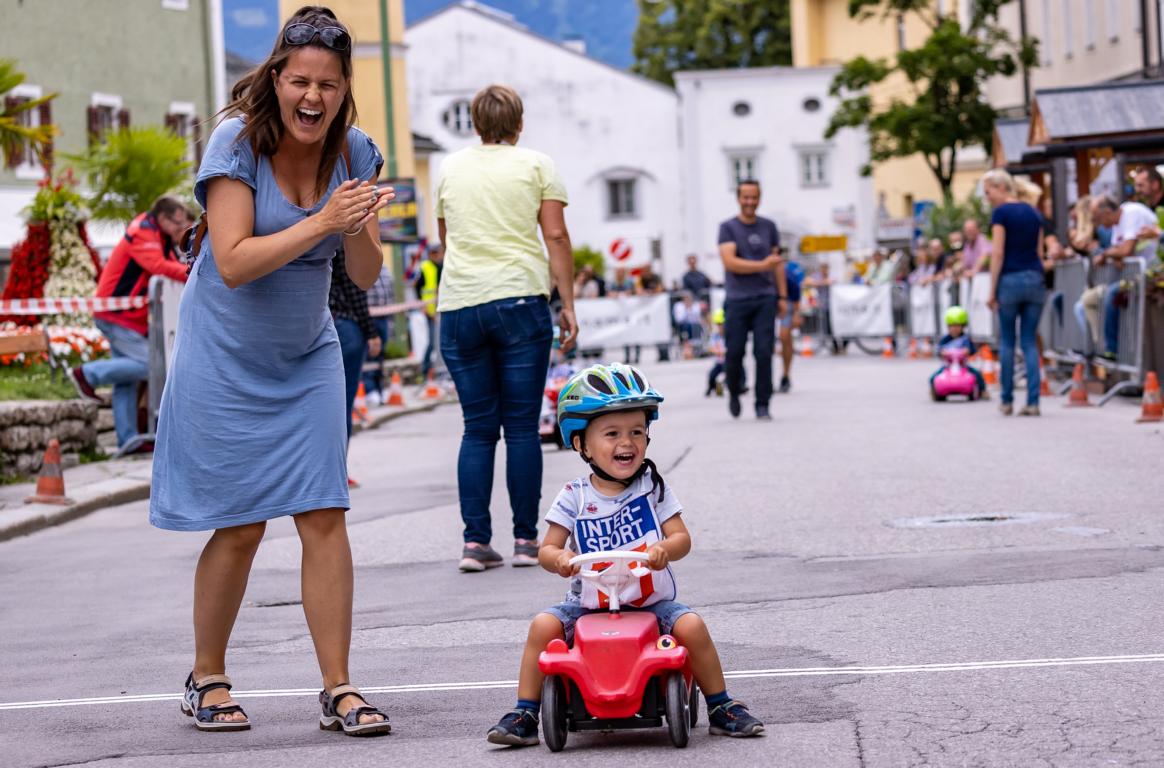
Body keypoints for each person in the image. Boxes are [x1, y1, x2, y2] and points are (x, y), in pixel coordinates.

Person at [149, 7, 392, 734]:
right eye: (300, 81)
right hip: (224, 354)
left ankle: (339, 687)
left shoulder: (355, 151)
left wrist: (354, 227)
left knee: (323, 511)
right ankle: (208, 676)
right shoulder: (237, 142)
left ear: (345, 87)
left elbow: (366, 268)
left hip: (306, 351)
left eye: (328, 83)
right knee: (243, 523)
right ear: (276, 79)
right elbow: (232, 260)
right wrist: (319, 221)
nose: (312, 97)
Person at [485, 364, 765, 747]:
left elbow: (682, 537)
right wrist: (560, 559)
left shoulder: (652, 487)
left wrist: (665, 549)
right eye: (612, 433)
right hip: (587, 606)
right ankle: (526, 711)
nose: (627, 442)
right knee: (542, 626)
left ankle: (721, 706)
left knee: (692, 627)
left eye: (636, 432)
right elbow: (546, 548)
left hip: (650, 604)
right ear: (581, 443)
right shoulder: (574, 495)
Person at [435, 83, 578, 573]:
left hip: (460, 305)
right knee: (520, 427)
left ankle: (475, 543)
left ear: (476, 126)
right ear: (518, 125)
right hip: (519, 299)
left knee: (477, 429)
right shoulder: (537, 164)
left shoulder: (450, 168)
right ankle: (524, 540)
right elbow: (555, 234)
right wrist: (568, 303)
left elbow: (446, 237)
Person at [69, 196, 192, 450]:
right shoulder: (142, 231)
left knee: (125, 380)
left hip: (127, 317)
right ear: (163, 219)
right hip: (116, 314)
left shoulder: (160, 235)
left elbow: (171, 262)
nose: (181, 228)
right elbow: (158, 266)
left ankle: (127, 441)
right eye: (178, 223)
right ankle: (87, 374)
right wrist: (193, 274)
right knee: (151, 367)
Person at [717, 179, 785, 421]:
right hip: (737, 299)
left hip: (765, 298)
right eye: (746, 197)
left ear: (759, 198)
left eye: (754, 197)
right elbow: (730, 262)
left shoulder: (769, 227)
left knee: (764, 352)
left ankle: (763, 403)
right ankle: (734, 391)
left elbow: (777, 265)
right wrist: (762, 265)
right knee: (734, 353)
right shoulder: (727, 228)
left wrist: (782, 295)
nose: (750, 202)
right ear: (738, 198)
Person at [983, 169, 1046, 416]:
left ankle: (1007, 399)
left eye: (988, 191)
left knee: (1008, 341)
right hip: (1034, 278)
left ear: (1000, 187)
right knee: (1030, 341)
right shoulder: (1034, 212)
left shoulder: (1001, 213)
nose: (987, 197)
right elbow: (1039, 253)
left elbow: (997, 253)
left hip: (1010, 279)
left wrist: (991, 289)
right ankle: (1033, 401)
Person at [1077, 195, 1159, 359]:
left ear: (1107, 212)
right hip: (1131, 276)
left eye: (1098, 218)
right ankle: (1098, 347)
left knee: (1110, 295)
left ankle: (1111, 350)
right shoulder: (1117, 223)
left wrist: (1108, 254)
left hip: (1150, 274)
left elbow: (1125, 251)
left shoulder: (1131, 213)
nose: (1098, 224)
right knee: (1084, 303)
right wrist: (1115, 255)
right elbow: (1119, 255)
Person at [330, 248, 381, 487]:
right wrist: (371, 332)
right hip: (344, 326)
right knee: (342, 405)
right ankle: (337, 473)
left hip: (314, 325)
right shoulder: (343, 237)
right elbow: (355, 288)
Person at [929, 306, 988, 397]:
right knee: (933, 377)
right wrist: (942, 352)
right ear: (948, 327)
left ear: (963, 326)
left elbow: (971, 349)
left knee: (977, 374)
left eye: (957, 326)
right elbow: (939, 349)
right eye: (952, 326)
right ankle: (934, 392)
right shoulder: (945, 340)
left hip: (962, 366)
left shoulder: (965, 339)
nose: (954, 328)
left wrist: (967, 351)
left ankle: (983, 391)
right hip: (948, 366)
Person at [362, 263, 394, 406]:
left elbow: (390, 293)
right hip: (370, 316)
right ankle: (369, 390)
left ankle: (380, 389)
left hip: (384, 317)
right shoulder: (365, 265)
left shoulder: (385, 269)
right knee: (369, 355)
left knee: (381, 355)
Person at [414, 241, 443, 378]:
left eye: (438, 252)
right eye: (433, 253)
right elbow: (417, 288)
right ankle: (426, 371)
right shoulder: (426, 267)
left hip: (444, 310)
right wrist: (423, 307)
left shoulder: (444, 266)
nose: (436, 255)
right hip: (431, 311)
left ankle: (440, 371)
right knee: (432, 343)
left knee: (442, 342)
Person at [776, 257, 804, 392]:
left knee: (785, 337)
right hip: (768, 303)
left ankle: (786, 375)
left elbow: (797, 295)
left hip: (787, 304)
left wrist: (796, 314)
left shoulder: (787, 274)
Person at [705, 308, 726, 395]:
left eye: (721, 324)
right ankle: (712, 387)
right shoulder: (715, 336)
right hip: (719, 363)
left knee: (738, 372)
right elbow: (710, 348)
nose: (720, 326)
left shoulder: (729, 336)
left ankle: (740, 386)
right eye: (718, 324)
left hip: (728, 362)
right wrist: (716, 351)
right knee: (711, 375)